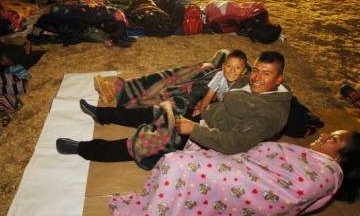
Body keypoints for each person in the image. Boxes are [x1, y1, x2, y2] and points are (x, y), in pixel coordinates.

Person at [57, 51, 292, 168]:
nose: (257, 78)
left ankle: (84, 149)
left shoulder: (269, 114)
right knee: (158, 108)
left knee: (147, 140)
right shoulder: (250, 81)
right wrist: (205, 103)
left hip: (208, 138)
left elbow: (234, 143)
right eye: (256, 70)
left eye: (267, 73)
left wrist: (193, 129)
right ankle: (103, 114)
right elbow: (231, 69)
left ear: (279, 78)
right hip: (203, 115)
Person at [109, 130, 360, 216]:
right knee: (181, 157)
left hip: (251, 183)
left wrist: (246, 174)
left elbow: (294, 191)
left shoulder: (328, 173)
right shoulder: (313, 158)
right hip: (244, 166)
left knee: (179, 164)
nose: (325, 135)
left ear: (341, 156)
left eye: (334, 138)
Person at [192, 49, 248, 116]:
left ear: (244, 71)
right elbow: (209, 96)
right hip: (219, 102)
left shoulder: (243, 88)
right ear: (223, 67)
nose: (232, 71)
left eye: (238, 68)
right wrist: (202, 112)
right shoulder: (220, 75)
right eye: (229, 66)